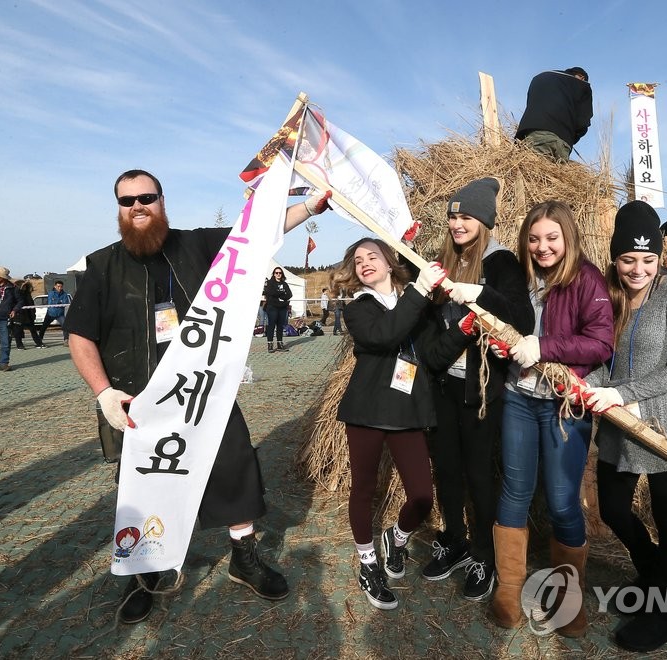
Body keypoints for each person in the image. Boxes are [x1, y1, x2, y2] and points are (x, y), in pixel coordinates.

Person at [65, 169, 328, 625]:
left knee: (234, 468)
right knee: (145, 486)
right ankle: (147, 571)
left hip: (206, 394)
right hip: (138, 406)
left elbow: (258, 230)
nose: (138, 206)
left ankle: (243, 557)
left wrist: (308, 207)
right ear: (119, 209)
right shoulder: (101, 266)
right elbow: (79, 335)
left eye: (146, 197)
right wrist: (103, 393)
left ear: (162, 200)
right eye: (127, 201)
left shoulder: (198, 246)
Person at [485, 200, 613, 635]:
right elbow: (502, 327)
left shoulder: (586, 279)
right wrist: (503, 348)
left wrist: (546, 347)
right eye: (534, 238)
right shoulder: (519, 278)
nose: (542, 247)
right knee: (515, 489)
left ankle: (568, 596)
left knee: (561, 500)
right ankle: (508, 589)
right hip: (518, 398)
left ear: (568, 238)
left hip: (564, 404)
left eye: (551, 238)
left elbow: (600, 344)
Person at [583, 200, 667, 652]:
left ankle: (663, 613)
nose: (638, 269)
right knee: (613, 509)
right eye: (628, 259)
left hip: (664, 428)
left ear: (659, 258)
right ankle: (653, 571)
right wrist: (588, 385)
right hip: (619, 428)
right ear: (615, 258)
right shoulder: (608, 296)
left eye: (648, 260)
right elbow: (602, 360)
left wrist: (623, 394)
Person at [413, 177, 533, 603]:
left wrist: (480, 293)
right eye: (452, 216)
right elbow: (426, 324)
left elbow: (523, 316)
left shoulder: (500, 262)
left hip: (482, 388)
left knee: (480, 475)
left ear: (483, 221)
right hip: (443, 385)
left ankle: (484, 552)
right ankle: (454, 539)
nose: (457, 224)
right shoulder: (441, 262)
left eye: (465, 217)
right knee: (446, 470)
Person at [331, 237, 446, 610]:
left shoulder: (418, 301)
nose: (365, 263)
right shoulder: (358, 308)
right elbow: (385, 335)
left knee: (422, 497)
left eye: (372, 256)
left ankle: (396, 538)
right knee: (363, 487)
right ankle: (368, 564)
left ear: (390, 261)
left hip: (407, 412)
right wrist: (419, 291)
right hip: (366, 411)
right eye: (358, 259)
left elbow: (430, 352)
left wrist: (466, 329)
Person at [515, 67, 592, 162]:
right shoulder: (582, 85)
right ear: (581, 77)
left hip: (530, 135)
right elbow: (583, 122)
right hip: (562, 141)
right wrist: (571, 137)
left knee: (529, 172)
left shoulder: (539, 78)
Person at [263, 267, 292, 352]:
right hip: (272, 307)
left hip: (282, 307)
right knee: (271, 325)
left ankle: (280, 344)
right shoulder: (270, 283)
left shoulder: (285, 284)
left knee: (280, 326)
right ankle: (270, 344)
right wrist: (282, 293)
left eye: (280, 273)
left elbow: (289, 294)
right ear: (274, 274)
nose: (278, 274)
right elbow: (271, 292)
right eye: (276, 273)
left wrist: (279, 295)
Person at [12, 280, 45, 349]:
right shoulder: (15, 294)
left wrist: (33, 314)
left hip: (28, 316)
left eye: (26, 286)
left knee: (33, 330)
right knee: (18, 331)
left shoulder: (27, 294)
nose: (25, 287)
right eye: (23, 286)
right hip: (19, 315)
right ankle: (19, 345)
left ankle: (39, 343)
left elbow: (31, 304)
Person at [39, 280, 71, 346]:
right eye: (58, 286)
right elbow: (51, 302)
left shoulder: (64, 294)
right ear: (55, 286)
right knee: (44, 327)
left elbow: (65, 303)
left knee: (65, 326)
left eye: (61, 287)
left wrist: (58, 302)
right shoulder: (51, 293)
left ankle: (66, 340)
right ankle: (39, 340)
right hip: (50, 314)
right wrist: (59, 302)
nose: (60, 288)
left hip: (60, 314)